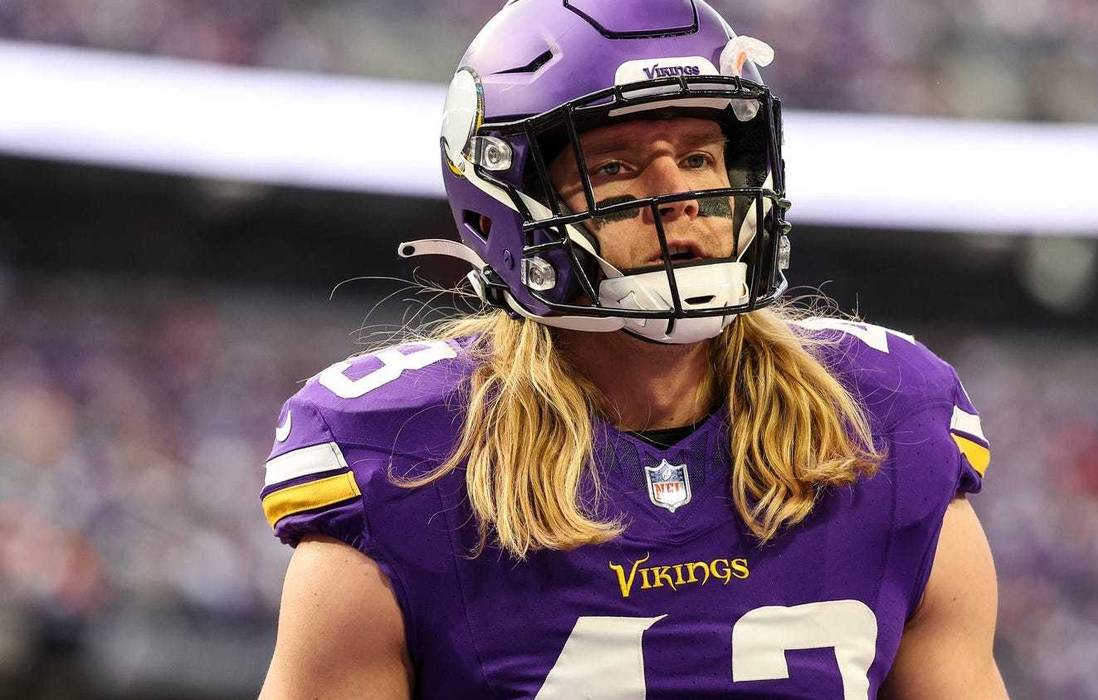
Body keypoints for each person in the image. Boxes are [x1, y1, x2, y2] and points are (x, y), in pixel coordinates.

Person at [257, 0, 1008, 697]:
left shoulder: (885, 417)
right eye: (613, 168)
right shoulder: (404, 455)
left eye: (699, 157)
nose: (677, 195)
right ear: (506, 198)